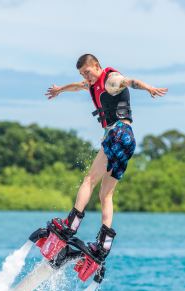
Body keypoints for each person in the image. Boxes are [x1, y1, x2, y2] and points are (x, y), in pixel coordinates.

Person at [45, 54, 168, 261]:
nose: (86, 76)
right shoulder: (93, 83)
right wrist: (60, 90)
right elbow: (78, 86)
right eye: (83, 74)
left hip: (117, 133)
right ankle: (103, 245)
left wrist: (148, 88)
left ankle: (70, 225)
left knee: (89, 180)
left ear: (97, 66)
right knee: (106, 195)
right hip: (128, 140)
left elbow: (130, 82)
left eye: (88, 72)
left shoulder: (111, 79)